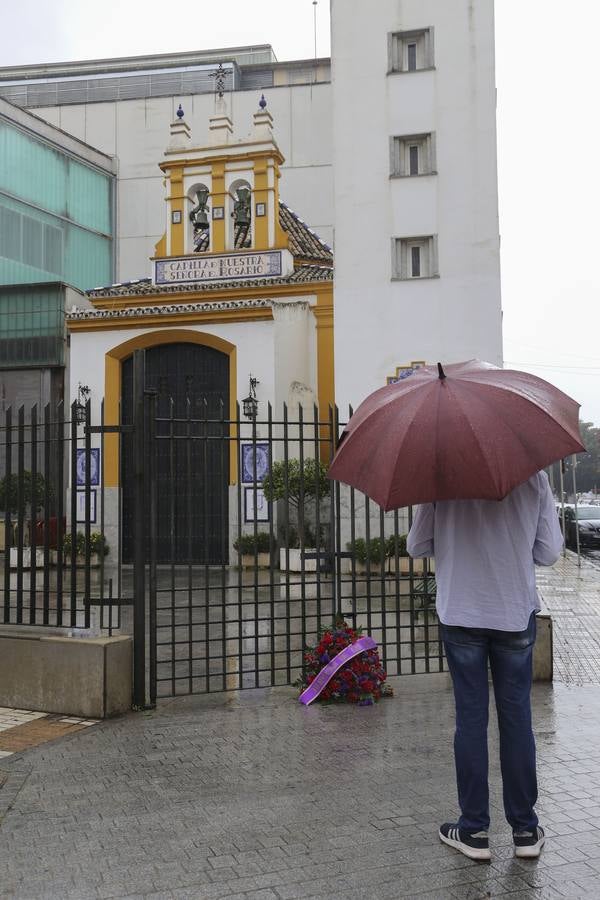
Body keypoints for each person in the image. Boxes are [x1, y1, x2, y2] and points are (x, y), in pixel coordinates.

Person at [407, 470, 563, 862]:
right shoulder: (534, 478)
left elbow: (416, 545)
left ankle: (474, 829)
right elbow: (549, 552)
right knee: (517, 720)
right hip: (513, 611)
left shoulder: (441, 478)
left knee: (471, 720)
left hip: (461, 610)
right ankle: (526, 829)